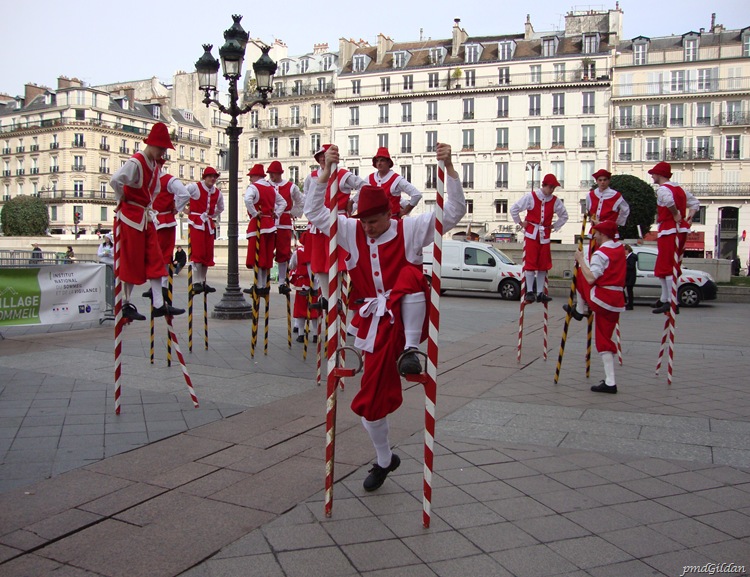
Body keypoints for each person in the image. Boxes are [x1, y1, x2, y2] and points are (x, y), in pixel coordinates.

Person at [305, 142, 466, 492]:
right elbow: (315, 213)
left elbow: (453, 212)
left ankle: (411, 352)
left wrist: (450, 169)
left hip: (406, 318)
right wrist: (324, 175)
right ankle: (384, 458)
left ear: (388, 215)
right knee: (370, 405)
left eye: (374, 222)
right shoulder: (351, 230)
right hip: (373, 324)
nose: (368, 229)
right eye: (363, 223)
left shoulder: (410, 229)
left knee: (409, 276)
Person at [109, 122, 184, 319]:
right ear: (151, 144)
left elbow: (155, 190)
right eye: (161, 148)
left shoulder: (153, 166)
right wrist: (121, 197)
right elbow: (115, 180)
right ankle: (126, 304)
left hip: (145, 217)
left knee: (156, 258)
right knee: (131, 260)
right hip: (131, 217)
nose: (162, 153)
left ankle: (159, 303)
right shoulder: (136, 162)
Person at [564, 220, 626, 394]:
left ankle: (580, 308)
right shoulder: (619, 248)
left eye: (597, 233)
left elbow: (591, 278)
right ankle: (610, 379)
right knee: (605, 337)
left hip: (602, 299)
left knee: (582, 275)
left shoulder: (601, 254)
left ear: (603, 234)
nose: (595, 236)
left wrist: (581, 260)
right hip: (617, 301)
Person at [303, 144, 367, 306]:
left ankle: (337, 296)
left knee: (338, 261)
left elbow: (365, 186)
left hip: (338, 221)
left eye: (325, 155)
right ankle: (326, 297)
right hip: (319, 222)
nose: (323, 158)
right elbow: (307, 198)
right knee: (320, 261)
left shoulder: (343, 175)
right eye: (320, 156)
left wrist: (353, 202)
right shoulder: (311, 177)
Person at [647, 162, 700, 314]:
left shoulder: (663, 189)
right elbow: (695, 203)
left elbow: (669, 201)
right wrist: (689, 217)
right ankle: (665, 298)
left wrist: (676, 213)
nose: (652, 176)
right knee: (665, 264)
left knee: (667, 264)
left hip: (671, 228)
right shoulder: (679, 189)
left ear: (660, 174)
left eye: (654, 173)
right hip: (675, 228)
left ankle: (671, 301)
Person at [510, 174, 569, 303]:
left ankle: (540, 292)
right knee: (530, 263)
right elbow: (514, 209)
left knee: (543, 264)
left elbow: (564, 215)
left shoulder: (555, 201)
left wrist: (554, 226)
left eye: (554, 187)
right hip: (532, 233)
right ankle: (530, 291)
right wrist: (520, 223)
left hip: (545, 235)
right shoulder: (531, 196)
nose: (552, 189)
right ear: (544, 185)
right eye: (550, 187)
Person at [143, 158, 195, 303]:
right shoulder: (148, 181)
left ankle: (163, 286)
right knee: (154, 254)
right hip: (152, 221)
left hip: (163, 222)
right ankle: (156, 286)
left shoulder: (168, 180)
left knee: (163, 255)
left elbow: (184, 194)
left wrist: (176, 208)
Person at [243, 164, 285, 295]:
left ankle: (259, 285)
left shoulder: (254, 187)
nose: (250, 179)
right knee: (266, 255)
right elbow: (283, 202)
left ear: (256, 176)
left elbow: (247, 199)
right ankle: (262, 285)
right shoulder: (271, 188)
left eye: (251, 176)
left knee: (257, 255)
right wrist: (276, 213)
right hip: (270, 225)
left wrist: (254, 213)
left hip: (259, 224)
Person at [267, 160, 304, 294]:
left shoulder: (290, 186)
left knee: (283, 252)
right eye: (270, 173)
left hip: (284, 223)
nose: (272, 176)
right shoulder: (266, 185)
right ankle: (264, 280)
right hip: (269, 222)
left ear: (279, 173)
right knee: (267, 251)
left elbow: (301, 200)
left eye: (274, 174)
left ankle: (282, 281)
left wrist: (293, 213)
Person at [186, 167, 224, 294]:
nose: (212, 179)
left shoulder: (217, 192)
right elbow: (181, 194)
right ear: (205, 177)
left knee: (207, 253)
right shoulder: (195, 187)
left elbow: (221, 207)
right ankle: (196, 281)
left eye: (214, 177)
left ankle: (202, 281)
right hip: (196, 222)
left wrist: (212, 215)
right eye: (210, 176)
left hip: (207, 223)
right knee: (198, 252)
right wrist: (184, 209)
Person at [365, 147, 422, 219]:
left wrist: (405, 211)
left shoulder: (396, 179)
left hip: (392, 223)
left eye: (382, 160)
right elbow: (359, 196)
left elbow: (417, 195)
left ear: (388, 162)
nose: (379, 163)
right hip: (375, 224)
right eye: (377, 161)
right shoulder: (369, 178)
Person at [586, 169, 629, 254]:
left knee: (608, 254)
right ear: (597, 181)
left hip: (609, 232)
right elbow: (589, 209)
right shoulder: (590, 195)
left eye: (605, 180)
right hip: (595, 231)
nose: (602, 182)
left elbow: (625, 210)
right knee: (594, 255)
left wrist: (616, 223)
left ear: (608, 181)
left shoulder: (616, 195)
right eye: (600, 180)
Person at [624, 244, 638, 310]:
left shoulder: (632, 257)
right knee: (627, 290)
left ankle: (630, 304)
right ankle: (627, 303)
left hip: (630, 277)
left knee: (629, 291)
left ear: (627, 250)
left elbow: (631, 266)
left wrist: (624, 265)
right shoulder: (629, 257)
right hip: (628, 277)